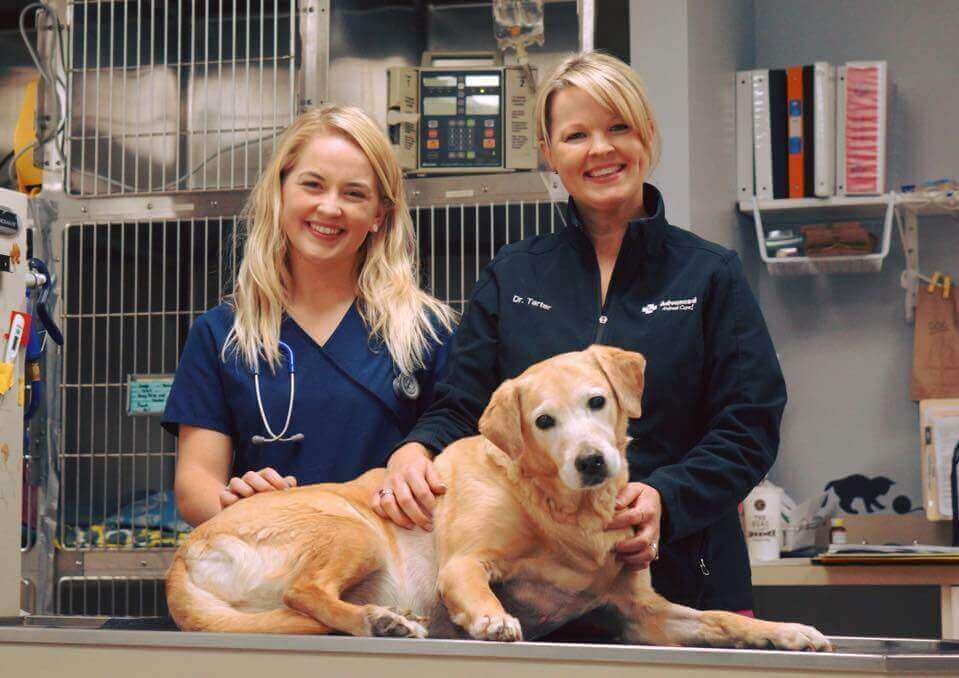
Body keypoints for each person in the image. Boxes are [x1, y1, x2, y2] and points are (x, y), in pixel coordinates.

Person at [375, 51, 785, 615]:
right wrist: (414, 452)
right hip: (541, 595)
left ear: (646, 134)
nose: (600, 149)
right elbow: (462, 407)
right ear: (549, 152)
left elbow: (749, 426)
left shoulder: (710, 274)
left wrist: (669, 497)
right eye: (576, 135)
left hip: (686, 581)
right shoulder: (513, 274)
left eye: (618, 127)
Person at [163, 105, 455, 527]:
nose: (330, 208)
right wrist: (239, 504)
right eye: (313, 185)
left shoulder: (430, 332)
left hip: (393, 575)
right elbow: (195, 485)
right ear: (280, 191)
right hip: (271, 569)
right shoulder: (222, 334)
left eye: (354, 194)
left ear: (379, 215)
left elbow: (460, 460)